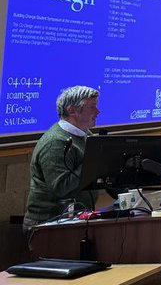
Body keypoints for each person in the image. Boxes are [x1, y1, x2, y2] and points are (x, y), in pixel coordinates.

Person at [24, 85, 102, 230]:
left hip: (77, 219)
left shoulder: (86, 135)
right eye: (92, 107)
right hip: (48, 224)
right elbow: (61, 188)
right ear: (72, 110)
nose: (98, 112)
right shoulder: (55, 142)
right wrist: (93, 161)